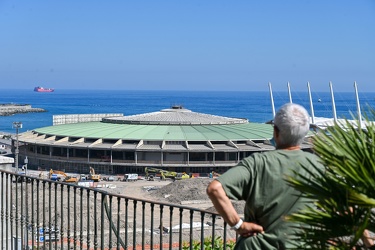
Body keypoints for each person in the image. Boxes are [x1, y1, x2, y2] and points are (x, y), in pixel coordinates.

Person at [207, 103, 323, 249]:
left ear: (275, 131)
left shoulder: (257, 163)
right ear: (305, 133)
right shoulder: (318, 166)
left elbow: (215, 189)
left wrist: (238, 224)